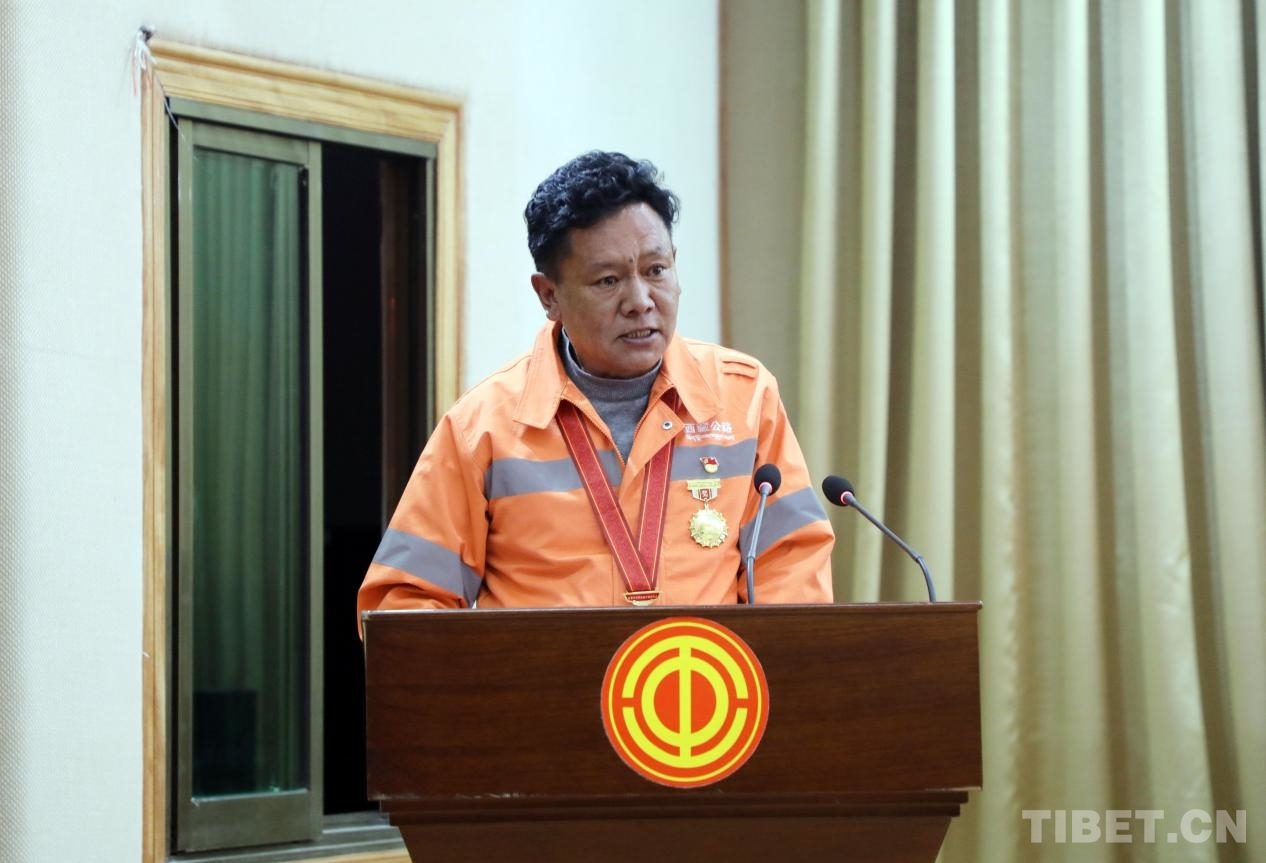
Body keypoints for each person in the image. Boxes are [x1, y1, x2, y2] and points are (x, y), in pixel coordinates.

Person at [357, 151, 833, 615]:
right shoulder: (483, 426)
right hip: (549, 674)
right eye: (608, 281)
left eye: (656, 270)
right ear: (549, 295)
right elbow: (404, 604)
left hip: (701, 671)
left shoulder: (744, 398)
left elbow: (793, 570)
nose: (640, 301)